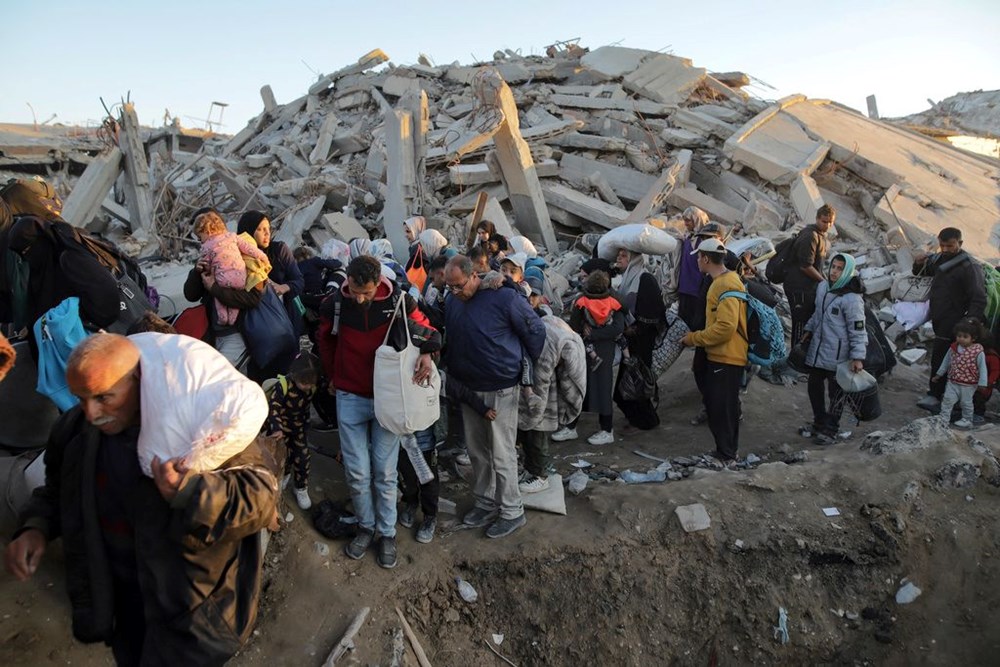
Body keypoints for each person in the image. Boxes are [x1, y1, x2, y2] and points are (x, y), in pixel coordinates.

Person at [4, 333, 278, 664]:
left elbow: (260, 499)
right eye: (81, 398)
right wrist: (36, 526)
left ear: (138, 379)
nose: (91, 412)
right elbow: (57, 488)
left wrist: (190, 493)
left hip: (191, 617)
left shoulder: (200, 430)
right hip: (123, 604)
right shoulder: (75, 432)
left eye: (104, 397)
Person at [316, 256, 441, 568]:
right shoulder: (336, 304)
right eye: (355, 291)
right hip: (349, 396)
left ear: (378, 285)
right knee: (357, 472)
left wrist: (427, 354)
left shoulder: (399, 300)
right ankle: (365, 526)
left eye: (366, 293)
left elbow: (426, 330)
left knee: (385, 473)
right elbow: (326, 341)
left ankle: (386, 534)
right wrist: (333, 376)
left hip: (388, 399)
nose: (360, 298)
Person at [443, 256, 545, 538]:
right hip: (468, 388)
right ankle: (486, 502)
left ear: (474, 276)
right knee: (477, 452)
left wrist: (518, 363)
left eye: (459, 286)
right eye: (449, 287)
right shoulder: (453, 302)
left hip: (501, 387)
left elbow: (535, 331)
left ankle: (512, 510)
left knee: (502, 452)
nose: (454, 292)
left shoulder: (502, 298)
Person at [682, 239, 747, 465]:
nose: (698, 262)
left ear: (706, 259)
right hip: (723, 355)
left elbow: (726, 327)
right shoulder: (726, 280)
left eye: (699, 258)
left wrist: (694, 339)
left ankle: (727, 455)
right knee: (720, 405)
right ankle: (725, 452)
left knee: (722, 407)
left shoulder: (724, 284)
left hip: (727, 356)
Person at [913, 227, 987, 413]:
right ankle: (944, 397)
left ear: (960, 244)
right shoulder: (939, 258)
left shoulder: (970, 266)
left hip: (956, 322)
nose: (945, 249)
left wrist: (968, 325)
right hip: (939, 317)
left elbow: (978, 298)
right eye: (942, 245)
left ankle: (936, 396)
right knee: (943, 357)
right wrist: (918, 263)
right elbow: (923, 272)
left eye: (950, 246)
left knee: (945, 358)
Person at [798, 253, 867, 446]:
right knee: (814, 386)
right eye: (833, 267)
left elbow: (858, 330)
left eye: (839, 269)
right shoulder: (823, 287)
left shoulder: (852, 299)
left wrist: (857, 357)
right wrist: (809, 329)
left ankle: (831, 429)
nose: (834, 272)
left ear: (848, 272)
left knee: (836, 393)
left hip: (839, 355)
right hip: (818, 349)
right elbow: (818, 313)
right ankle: (819, 422)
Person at [517, 306, 586, 493]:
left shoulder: (549, 341)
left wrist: (534, 410)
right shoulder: (547, 328)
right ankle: (532, 470)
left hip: (544, 392)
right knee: (531, 436)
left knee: (537, 435)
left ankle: (540, 476)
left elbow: (542, 378)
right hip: (544, 387)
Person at [558, 271, 626, 445]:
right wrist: (599, 333)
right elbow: (617, 328)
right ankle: (605, 429)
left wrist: (589, 332)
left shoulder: (581, 303)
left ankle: (573, 427)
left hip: (584, 349)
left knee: (578, 385)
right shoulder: (615, 303)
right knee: (603, 388)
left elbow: (573, 326)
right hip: (605, 350)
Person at [613, 247, 665, 430]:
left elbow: (654, 312)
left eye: (624, 255)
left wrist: (635, 329)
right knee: (625, 384)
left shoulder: (645, 279)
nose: (619, 257)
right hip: (630, 341)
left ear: (634, 259)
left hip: (642, 342)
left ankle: (648, 422)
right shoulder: (626, 280)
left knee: (637, 381)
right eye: (618, 254)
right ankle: (638, 419)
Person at [194, 210, 271, 326]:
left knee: (219, 300)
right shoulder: (233, 237)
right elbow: (249, 249)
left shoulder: (206, 247)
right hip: (240, 278)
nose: (200, 240)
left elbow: (208, 267)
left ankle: (223, 318)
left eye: (200, 237)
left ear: (207, 231)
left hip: (222, 280)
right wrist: (263, 257)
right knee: (233, 302)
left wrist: (205, 274)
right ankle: (232, 318)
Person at [237, 210, 305, 335]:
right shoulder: (237, 256)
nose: (267, 233)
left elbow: (299, 281)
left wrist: (283, 288)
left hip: (285, 318)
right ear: (247, 231)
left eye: (268, 228)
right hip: (254, 322)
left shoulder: (279, 250)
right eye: (261, 229)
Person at [266, 353, 321, 509]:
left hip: (299, 429)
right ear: (294, 375)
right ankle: (285, 475)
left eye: (311, 383)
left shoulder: (312, 388)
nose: (307, 387)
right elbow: (274, 408)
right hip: (281, 429)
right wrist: (276, 428)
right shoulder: (283, 385)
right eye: (304, 383)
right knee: (283, 455)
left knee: (303, 457)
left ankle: (301, 487)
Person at [784, 205, 836, 345]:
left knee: (807, 322)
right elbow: (805, 266)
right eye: (824, 221)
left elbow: (817, 266)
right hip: (798, 288)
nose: (827, 225)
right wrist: (824, 282)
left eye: (830, 222)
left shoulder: (820, 236)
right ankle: (794, 357)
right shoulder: (810, 236)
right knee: (800, 323)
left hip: (807, 288)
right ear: (817, 219)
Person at [933, 318, 988, 429]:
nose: (961, 339)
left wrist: (982, 383)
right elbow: (946, 361)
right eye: (959, 336)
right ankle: (944, 418)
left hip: (969, 384)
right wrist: (939, 374)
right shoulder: (953, 348)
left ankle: (967, 419)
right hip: (953, 381)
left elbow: (983, 368)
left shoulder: (977, 352)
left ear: (973, 338)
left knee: (966, 402)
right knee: (947, 400)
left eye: (965, 336)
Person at [674, 206, 710, 328]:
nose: (686, 223)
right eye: (685, 220)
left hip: (697, 289)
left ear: (696, 220)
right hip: (684, 287)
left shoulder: (704, 240)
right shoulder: (688, 238)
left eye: (688, 220)